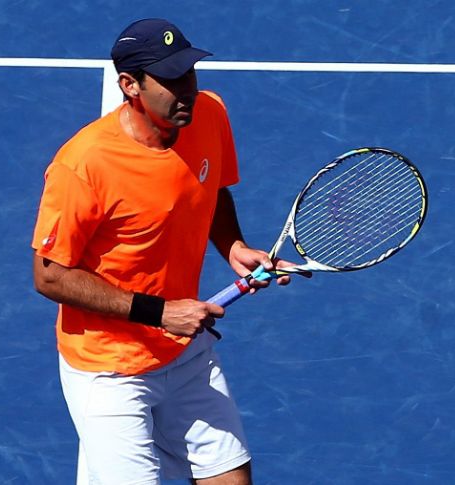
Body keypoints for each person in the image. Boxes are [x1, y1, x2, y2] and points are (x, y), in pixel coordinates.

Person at [31, 18, 297, 484]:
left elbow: (210, 185)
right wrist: (160, 313)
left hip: (183, 351)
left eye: (188, 73)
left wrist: (232, 245)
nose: (186, 89)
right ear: (130, 86)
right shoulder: (83, 166)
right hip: (109, 367)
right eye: (170, 80)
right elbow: (49, 275)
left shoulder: (208, 112)